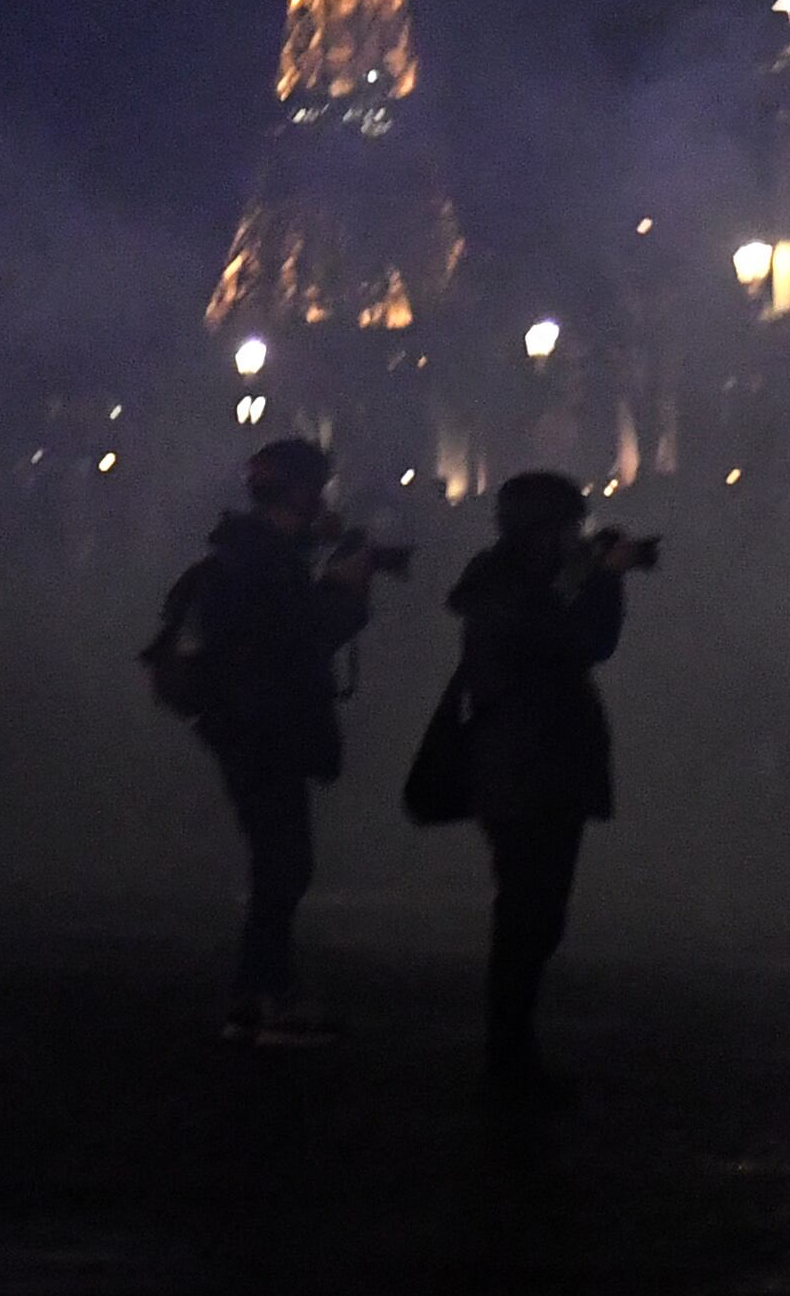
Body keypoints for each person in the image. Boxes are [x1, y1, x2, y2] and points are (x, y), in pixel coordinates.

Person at [165, 437, 393, 1046]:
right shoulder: (266, 563)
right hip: (265, 728)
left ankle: (255, 994)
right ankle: (268, 995)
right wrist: (348, 591)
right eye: (316, 490)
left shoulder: (248, 553)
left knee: (279, 863)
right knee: (284, 866)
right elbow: (300, 639)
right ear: (301, 491)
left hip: (244, 725)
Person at [438, 469, 634, 1101]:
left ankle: (511, 1049)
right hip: (535, 767)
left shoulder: (498, 580)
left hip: (513, 764)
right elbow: (585, 641)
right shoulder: (521, 589)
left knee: (527, 911)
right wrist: (604, 578)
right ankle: (510, 1055)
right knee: (532, 914)